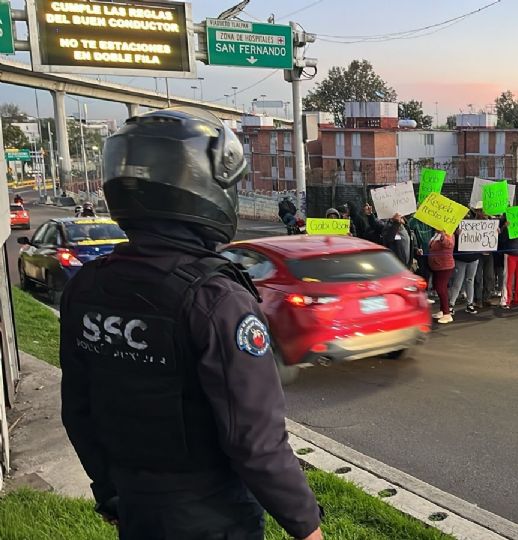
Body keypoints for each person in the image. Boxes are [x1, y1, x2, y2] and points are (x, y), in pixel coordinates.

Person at [59, 108, 323, 540]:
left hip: (136, 505)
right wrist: (306, 525)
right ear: (201, 187)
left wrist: (110, 493)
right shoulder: (216, 299)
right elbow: (253, 439)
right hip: (211, 515)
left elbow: (78, 411)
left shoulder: (87, 286)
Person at [448, 222, 480, 315]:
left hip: (473, 257)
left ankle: (470, 303)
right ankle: (451, 304)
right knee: (458, 281)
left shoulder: (476, 222)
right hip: (461, 258)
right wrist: (455, 233)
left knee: (470, 280)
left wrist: (494, 232)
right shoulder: (455, 223)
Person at [428, 228, 455, 324]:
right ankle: (442, 310)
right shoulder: (436, 234)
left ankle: (447, 314)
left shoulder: (448, 234)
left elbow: (449, 244)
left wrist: (443, 235)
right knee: (439, 288)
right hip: (436, 266)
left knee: (441, 288)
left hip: (445, 266)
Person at [471, 208, 497, 308]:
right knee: (478, 278)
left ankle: (486, 298)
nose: (484, 213)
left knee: (489, 276)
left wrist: (498, 231)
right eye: (482, 211)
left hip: (489, 254)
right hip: (477, 254)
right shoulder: (472, 224)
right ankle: (478, 299)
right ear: (477, 212)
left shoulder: (491, 223)